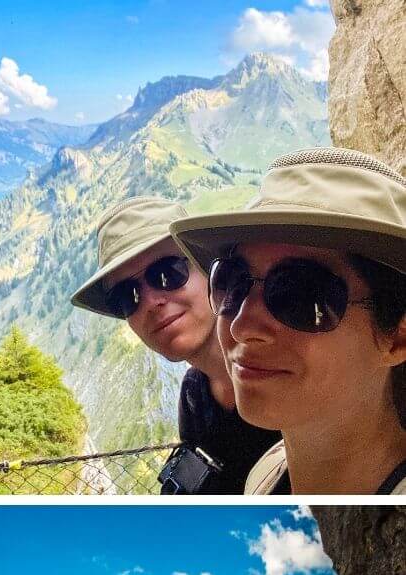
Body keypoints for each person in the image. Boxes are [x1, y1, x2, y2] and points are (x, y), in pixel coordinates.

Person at [170, 147, 406, 494]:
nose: (241, 326)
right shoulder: (264, 477)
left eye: (300, 296)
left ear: (397, 337)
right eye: (233, 283)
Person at [72, 197, 281, 493]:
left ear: (210, 270)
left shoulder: (285, 373)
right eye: (127, 296)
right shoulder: (195, 397)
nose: (150, 303)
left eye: (167, 273)